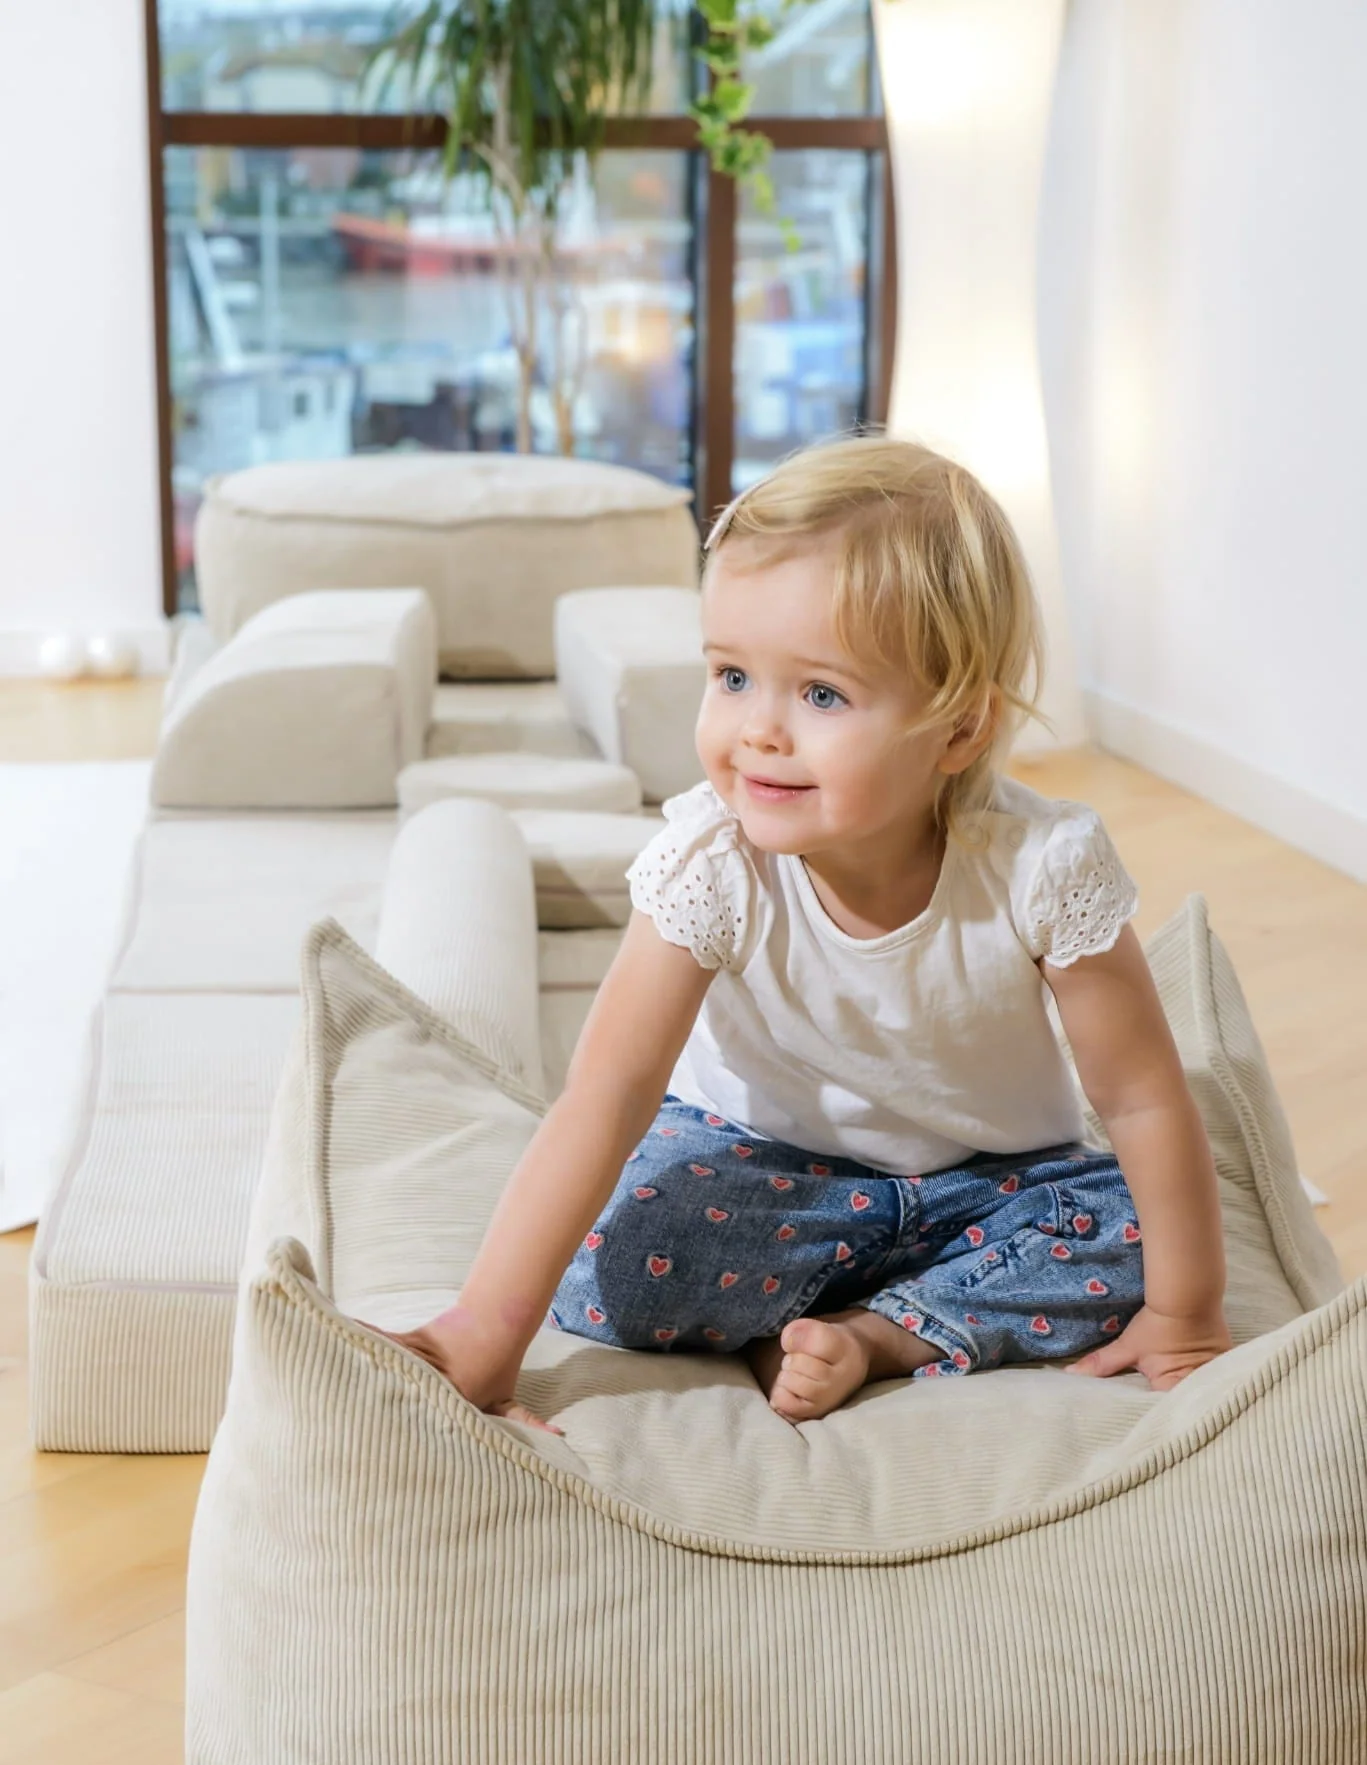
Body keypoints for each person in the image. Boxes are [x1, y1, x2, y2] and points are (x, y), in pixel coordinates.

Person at [377, 431, 1232, 1429]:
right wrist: (484, 1331)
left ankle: (878, 1334)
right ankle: (890, 1307)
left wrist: (1183, 1313)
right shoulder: (712, 862)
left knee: (1141, 1229)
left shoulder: (1041, 865)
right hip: (760, 1164)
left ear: (958, 728)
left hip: (984, 1183)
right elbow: (604, 1098)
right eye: (731, 675)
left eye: (821, 693)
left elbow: (1139, 1099)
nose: (757, 730)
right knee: (614, 1260)